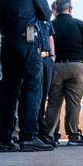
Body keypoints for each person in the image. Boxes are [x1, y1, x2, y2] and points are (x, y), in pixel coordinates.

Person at [0, 0, 54, 152]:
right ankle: (28, 136)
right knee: (32, 87)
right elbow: (46, 13)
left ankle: (4, 139)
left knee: (9, 90)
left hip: (7, 43)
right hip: (28, 43)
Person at [43, 0, 83, 145]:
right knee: (74, 103)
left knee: (54, 103)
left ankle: (49, 136)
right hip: (77, 66)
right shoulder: (80, 24)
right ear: (70, 9)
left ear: (56, 10)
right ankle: (73, 136)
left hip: (56, 66)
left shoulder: (50, 25)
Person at [36, 12, 57, 146]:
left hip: (47, 58)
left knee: (44, 95)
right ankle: (38, 132)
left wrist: (53, 55)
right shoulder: (30, 17)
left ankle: (43, 132)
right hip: (34, 56)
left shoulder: (46, 20)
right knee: (35, 95)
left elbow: (50, 36)